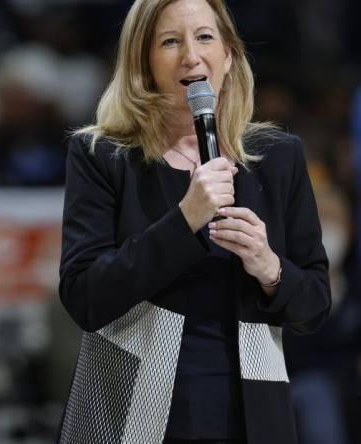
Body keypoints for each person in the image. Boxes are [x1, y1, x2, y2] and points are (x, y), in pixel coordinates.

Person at [56, 1, 331, 443]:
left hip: (250, 414)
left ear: (230, 55)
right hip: (130, 410)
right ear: (143, 63)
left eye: (205, 37)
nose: (191, 55)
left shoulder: (279, 157)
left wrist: (269, 268)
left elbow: (314, 306)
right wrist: (185, 220)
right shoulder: (103, 157)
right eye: (170, 41)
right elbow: (85, 298)